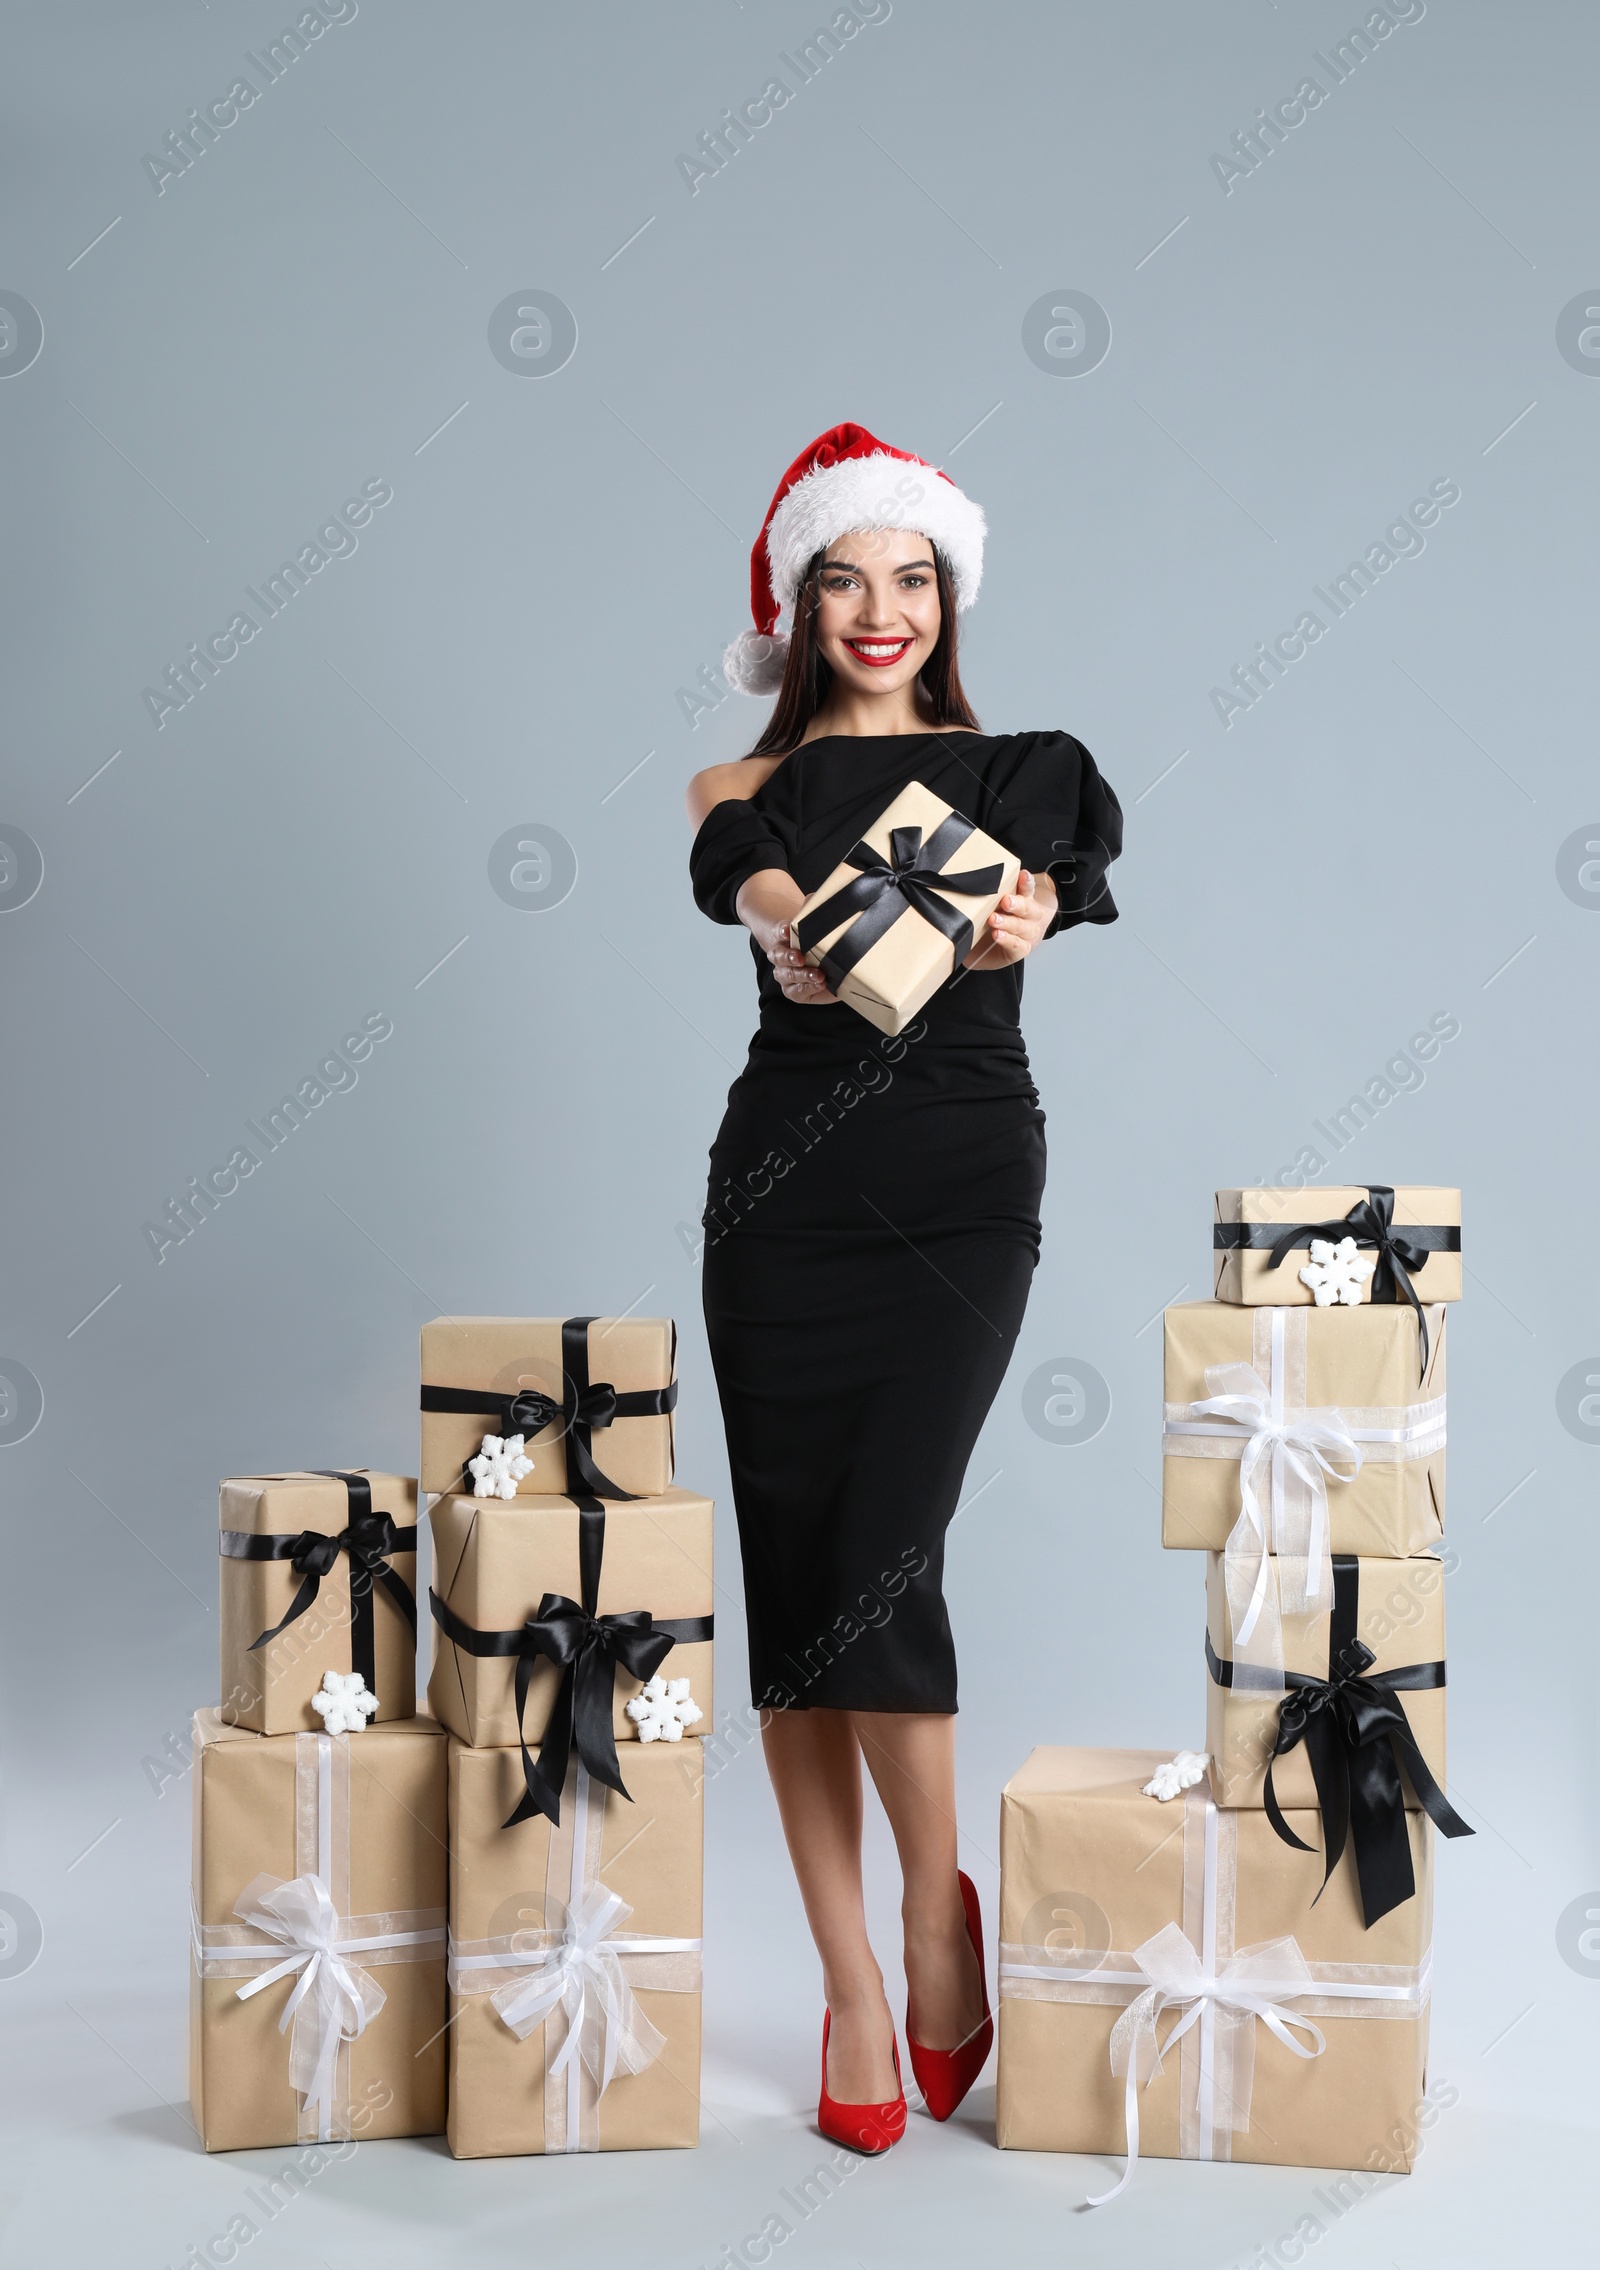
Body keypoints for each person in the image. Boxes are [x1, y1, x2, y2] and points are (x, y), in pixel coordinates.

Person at [686, 423, 1122, 2151]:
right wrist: (800, 920)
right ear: (798, 606)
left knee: (885, 1561)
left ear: (951, 595)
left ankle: (941, 1924)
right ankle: (856, 1981)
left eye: (913, 573)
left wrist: (1026, 909)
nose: (881, 608)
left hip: (955, 1191)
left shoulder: (1026, 767)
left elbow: (1053, 884)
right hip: (780, 1204)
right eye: (844, 577)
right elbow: (754, 873)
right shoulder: (744, 792)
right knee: (801, 1584)